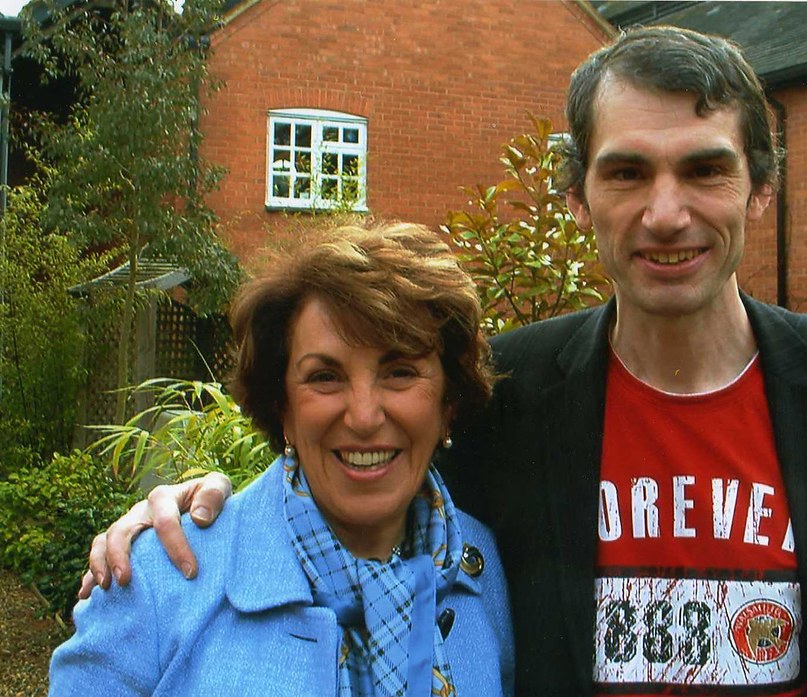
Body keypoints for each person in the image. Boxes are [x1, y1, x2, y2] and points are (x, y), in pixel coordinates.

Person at [80, 26, 807, 697]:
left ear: (760, 188)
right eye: (626, 172)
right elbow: (362, 468)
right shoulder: (511, 392)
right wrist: (198, 505)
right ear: (578, 194)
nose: (665, 212)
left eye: (703, 169)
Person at [51, 221, 514, 695]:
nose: (363, 415)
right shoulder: (155, 579)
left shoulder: (486, 571)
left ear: (448, 403)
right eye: (325, 377)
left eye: (399, 371)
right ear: (282, 407)